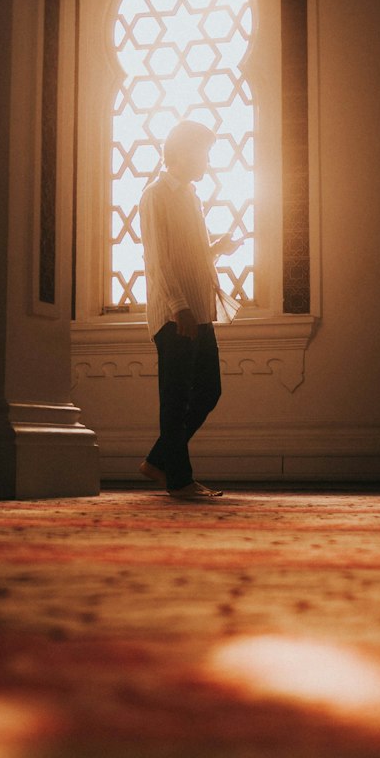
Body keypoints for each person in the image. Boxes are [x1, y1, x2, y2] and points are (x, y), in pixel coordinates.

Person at [137, 119, 242, 501]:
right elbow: (159, 259)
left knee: (208, 391)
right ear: (182, 152)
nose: (207, 161)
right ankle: (178, 481)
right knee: (177, 397)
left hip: (200, 309)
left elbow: (189, 254)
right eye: (204, 153)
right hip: (175, 313)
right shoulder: (155, 196)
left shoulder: (191, 198)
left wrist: (216, 248)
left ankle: (157, 461)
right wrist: (178, 307)